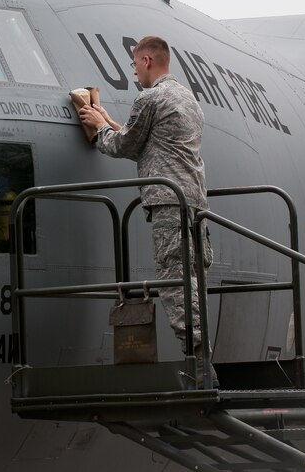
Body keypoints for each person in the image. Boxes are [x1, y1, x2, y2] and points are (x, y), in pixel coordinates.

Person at [77, 35, 216, 387]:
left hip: (169, 204)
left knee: (175, 286)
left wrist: (97, 128)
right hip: (195, 204)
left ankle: (200, 369)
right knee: (192, 284)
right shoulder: (188, 100)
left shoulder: (150, 98)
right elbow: (152, 145)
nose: (134, 71)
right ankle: (203, 362)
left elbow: (126, 145)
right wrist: (108, 118)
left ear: (147, 61)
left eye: (135, 64)